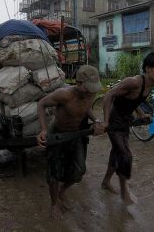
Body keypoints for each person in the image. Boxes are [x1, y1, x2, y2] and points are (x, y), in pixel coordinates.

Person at [37, 65, 104, 220]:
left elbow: (86, 108)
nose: (91, 92)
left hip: (74, 135)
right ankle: (54, 203)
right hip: (57, 134)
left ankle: (62, 192)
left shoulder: (91, 94)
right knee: (54, 172)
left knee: (79, 170)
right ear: (78, 83)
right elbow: (41, 104)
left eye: (93, 89)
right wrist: (43, 129)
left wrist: (96, 120)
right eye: (88, 89)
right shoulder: (65, 95)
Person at [101, 52, 154, 205]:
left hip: (126, 120)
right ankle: (124, 190)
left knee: (117, 152)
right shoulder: (134, 82)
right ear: (148, 69)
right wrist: (105, 122)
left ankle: (105, 182)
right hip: (114, 121)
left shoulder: (149, 85)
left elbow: (134, 101)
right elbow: (109, 95)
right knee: (125, 155)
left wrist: (142, 115)